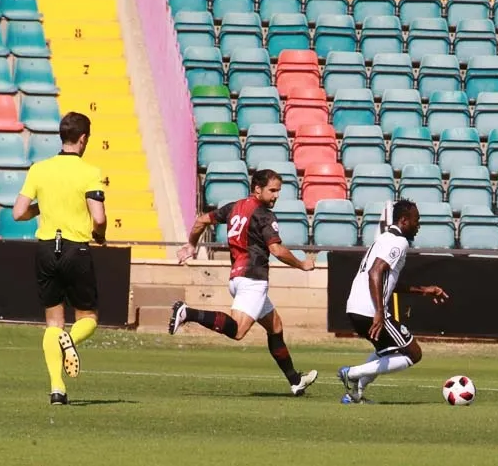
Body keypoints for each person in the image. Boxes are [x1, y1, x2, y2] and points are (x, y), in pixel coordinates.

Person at [167, 169, 318, 396]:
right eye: (272, 190)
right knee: (238, 331)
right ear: (257, 189)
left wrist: (191, 245)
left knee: (275, 327)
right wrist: (302, 264)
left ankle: (295, 381)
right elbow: (276, 249)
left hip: (238, 277)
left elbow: (201, 221)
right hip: (253, 279)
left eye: (278, 191)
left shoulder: (234, 207)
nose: (276, 196)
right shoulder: (264, 215)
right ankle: (188, 313)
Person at [12, 112, 107, 406]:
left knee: (53, 322)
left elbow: (18, 212)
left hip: (45, 249)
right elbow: (99, 218)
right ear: (83, 139)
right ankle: (72, 341)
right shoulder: (89, 172)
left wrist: (42, 208)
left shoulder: (39, 169)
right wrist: (100, 235)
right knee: (88, 318)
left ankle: (57, 388)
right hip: (75, 249)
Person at [338, 199, 449, 404]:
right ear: (404, 220)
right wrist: (380, 312)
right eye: (416, 220)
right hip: (370, 309)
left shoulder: (383, 239)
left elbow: (386, 280)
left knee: (385, 352)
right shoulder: (399, 242)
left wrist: (424, 290)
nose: (418, 225)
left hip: (355, 308)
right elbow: (375, 272)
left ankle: (354, 395)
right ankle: (351, 373)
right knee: (413, 353)